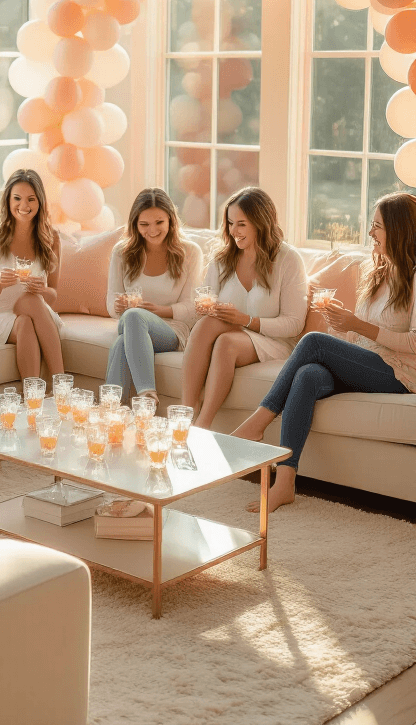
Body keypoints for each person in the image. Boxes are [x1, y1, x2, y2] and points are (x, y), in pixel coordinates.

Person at [235, 193, 416, 513]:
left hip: (399, 372)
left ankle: (257, 423)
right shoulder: (378, 271)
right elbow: (356, 336)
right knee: (307, 374)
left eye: (378, 226)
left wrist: (356, 326)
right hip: (368, 362)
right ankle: (285, 482)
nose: (371, 233)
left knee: (314, 342)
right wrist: (341, 326)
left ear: (400, 230)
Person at [182, 187, 307, 429]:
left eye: (241, 224)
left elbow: (294, 324)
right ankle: (186, 413)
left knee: (226, 343)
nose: (233, 231)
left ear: (261, 222)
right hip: (233, 331)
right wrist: (203, 309)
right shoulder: (222, 258)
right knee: (209, 324)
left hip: (274, 340)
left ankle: (203, 425)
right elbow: (204, 303)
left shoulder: (288, 260)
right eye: (230, 223)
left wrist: (246, 320)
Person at [105, 188, 202, 404]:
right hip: (130, 322)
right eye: (144, 224)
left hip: (172, 330)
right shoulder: (122, 252)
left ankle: (114, 409)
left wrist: (162, 311)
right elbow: (111, 299)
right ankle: (146, 399)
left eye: (159, 222)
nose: (153, 230)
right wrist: (118, 305)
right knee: (131, 318)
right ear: (135, 224)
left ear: (170, 220)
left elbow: (192, 308)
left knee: (123, 341)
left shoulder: (190, 252)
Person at [0, 168, 63, 383]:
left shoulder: (51, 237)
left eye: (31, 199)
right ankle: (60, 383)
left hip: (38, 310)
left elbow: (52, 295)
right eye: (17, 198)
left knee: (31, 302)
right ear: (8, 200)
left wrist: (42, 290)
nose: (24, 206)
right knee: (24, 320)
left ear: (40, 202)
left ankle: (34, 397)